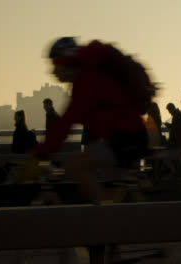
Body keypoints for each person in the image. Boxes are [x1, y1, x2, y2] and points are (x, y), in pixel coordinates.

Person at [20, 37, 155, 204]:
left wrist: (40, 155)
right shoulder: (91, 75)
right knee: (112, 195)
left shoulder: (86, 81)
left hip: (124, 139)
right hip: (129, 137)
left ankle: (105, 219)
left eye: (55, 65)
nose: (53, 72)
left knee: (76, 165)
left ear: (65, 62)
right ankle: (119, 219)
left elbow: (65, 123)